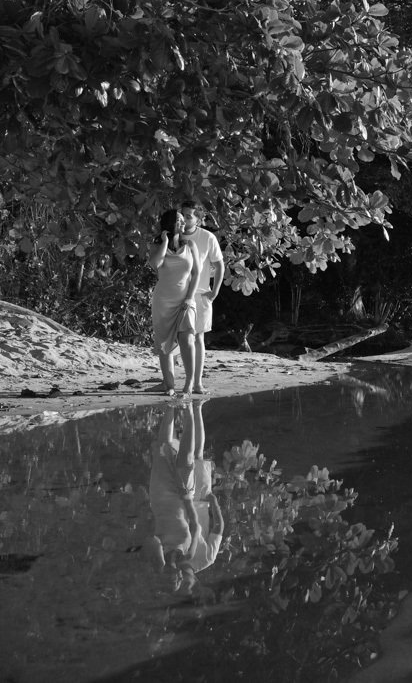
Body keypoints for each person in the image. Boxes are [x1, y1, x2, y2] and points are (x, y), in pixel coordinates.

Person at [142, 403, 200, 584]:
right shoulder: (188, 554)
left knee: (163, 448)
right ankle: (190, 408)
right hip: (184, 499)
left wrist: (160, 563)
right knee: (187, 457)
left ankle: (171, 406)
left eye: (174, 582)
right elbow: (195, 525)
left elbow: (151, 540)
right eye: (179, 582)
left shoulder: (156, 557)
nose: (178, 579)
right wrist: (186, 497)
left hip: (160, 499)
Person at [149, 209, 201, 397]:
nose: (183, 222)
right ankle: (168, 384)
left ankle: (188, 384)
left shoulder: (190, 245)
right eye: (178, 220)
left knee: (187, 339)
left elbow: (196, 273)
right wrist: (164, 242)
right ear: (170, 223)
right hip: (163, 300)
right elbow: (156, 264)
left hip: (185, 299)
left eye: (184, 219)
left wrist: (189, 297)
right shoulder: (156, 246)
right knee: (165, 344)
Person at [178, 398, 224, 594]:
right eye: (186, 584)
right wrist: (214, 502)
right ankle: (197, 407)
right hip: (201, 500)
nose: (181, 581)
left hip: (180, 501)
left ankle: (181, 410)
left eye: (179, 585)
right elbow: (218, 528)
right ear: (194, 581)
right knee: (197, 454)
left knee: (180, 456)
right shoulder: (206, 560)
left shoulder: (172, 561)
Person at [180, 200, 225, 394]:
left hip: (200, 295)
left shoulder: (207, 237)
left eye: (189, 216)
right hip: (176, 294)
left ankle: (197, 383)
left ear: (198, 220)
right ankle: (170, 381)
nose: (184, 219)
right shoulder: (173, 235)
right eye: (183, 215)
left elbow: (220, 264)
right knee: (175, 339)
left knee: (198, 337)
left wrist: (214, 291)